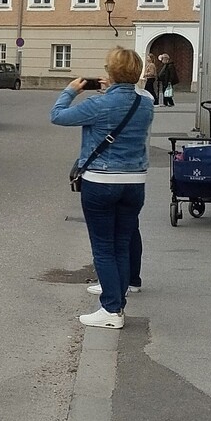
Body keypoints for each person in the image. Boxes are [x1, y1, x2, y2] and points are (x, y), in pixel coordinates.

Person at [50, 47, 154, 329]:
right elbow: (138, 96)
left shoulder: (99, 105)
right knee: (121, 244)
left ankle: (111, 310)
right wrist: (116, 87)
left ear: (110, 72)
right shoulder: (145, 104)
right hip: (134, 182)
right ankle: (116, 301)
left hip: (102, 181)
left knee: (103, 247)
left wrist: (71, 90)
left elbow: (58, 115)